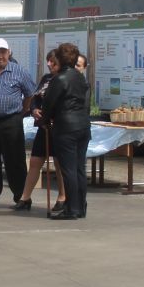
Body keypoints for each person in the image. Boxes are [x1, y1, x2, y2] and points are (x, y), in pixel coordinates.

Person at [0, 40, 36, 208]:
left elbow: (29, 94)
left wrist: (22, 112)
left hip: (10, 121)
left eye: (4, 52)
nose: (1, 56)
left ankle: (21, 196)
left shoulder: (19, 71)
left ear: (9, 53)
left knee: (15, 160)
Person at [42, 41, 91, 221]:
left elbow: (49, 103)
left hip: (66, 127)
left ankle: (71, 208)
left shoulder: (59, 79)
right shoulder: (80, 78)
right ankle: (81, 206)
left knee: (68, 169)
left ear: (60, 59)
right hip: (83, 126)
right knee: (79, 168)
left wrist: (43, 120)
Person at [15, 50, 66, 213]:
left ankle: (62, 197)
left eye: (53, 61)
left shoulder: (65, 79)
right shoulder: (46, 78)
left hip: (58, 128)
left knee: (59, 164)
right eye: (48, 61)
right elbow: (35, 98)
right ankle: (25, 197)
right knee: (35, 161)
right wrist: (34, 110)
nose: (49, 64)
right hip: (43, 127)